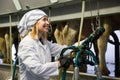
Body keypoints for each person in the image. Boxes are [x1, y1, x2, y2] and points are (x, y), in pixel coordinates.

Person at [17, 9, 72, 80]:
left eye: (47, 20)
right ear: (34, 23)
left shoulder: (44, 42)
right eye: (44, 20)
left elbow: (63, 49)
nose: (48, 23)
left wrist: (81, 44)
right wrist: (59, 63)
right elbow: (37, 69)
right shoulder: (26, 43)